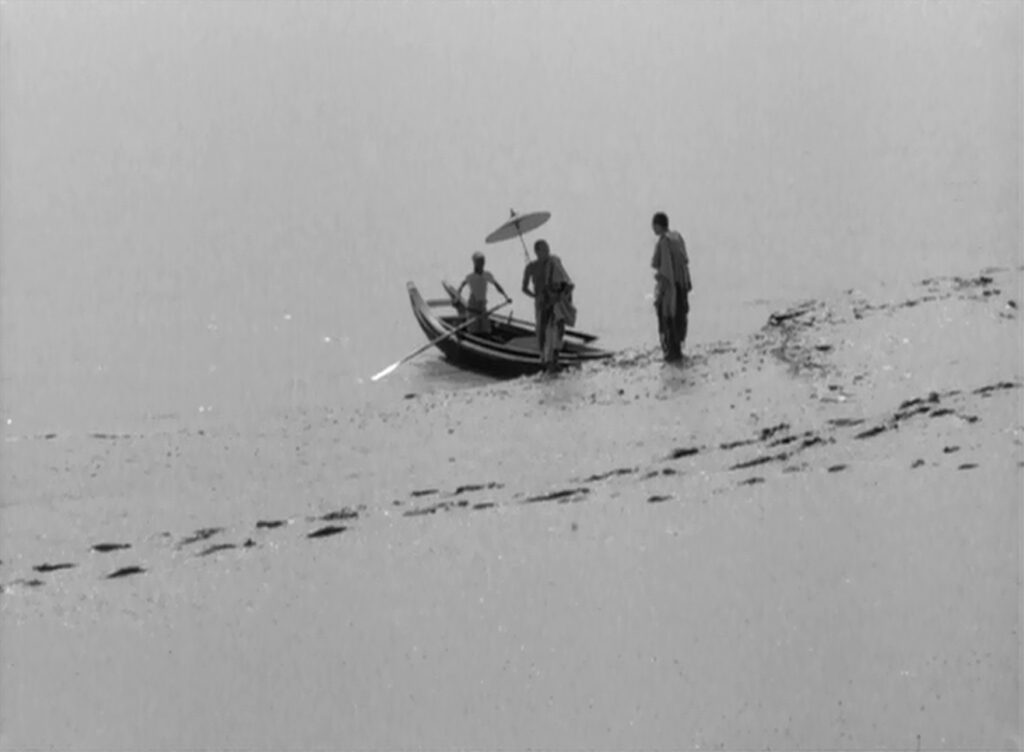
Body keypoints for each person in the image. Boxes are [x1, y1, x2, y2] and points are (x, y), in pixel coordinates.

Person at [521, 239, 575, 373]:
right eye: (544, 249)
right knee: (542, 330)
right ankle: (545, 360)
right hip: (541, 302)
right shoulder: (530, 267)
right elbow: (524, 288)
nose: (547, 251)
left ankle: (555, 357)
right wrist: (535, 296)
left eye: (547, 248)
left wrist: (561, 294)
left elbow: (566, 282)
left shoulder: (553, 263)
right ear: (537, 252)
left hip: (555, 299)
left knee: (558, 328)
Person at [650, 212, 692, 362]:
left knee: (667, 319)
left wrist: (662, 292)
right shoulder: (677, 237)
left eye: (653, 225)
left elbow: (663, 269)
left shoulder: (664, 242)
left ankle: (672, 354)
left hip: (670, 289)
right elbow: (684, 260)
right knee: (680, 317)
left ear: (658, 226)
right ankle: (678, 351)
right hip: (681, 286)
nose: (652, 229)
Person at [457, 251, 510, 335]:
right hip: (473, 308)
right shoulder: (470, 276)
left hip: (482, 308)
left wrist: (506, 297)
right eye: (479, 262)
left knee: (486, 331)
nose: (482, 264)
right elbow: (461, 286)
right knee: (473, 331)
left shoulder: (487, 275)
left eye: (483, 262)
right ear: (475, 263)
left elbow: (497, 285)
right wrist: (457, 297)